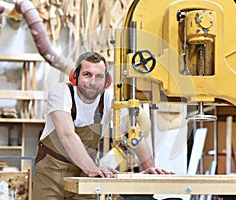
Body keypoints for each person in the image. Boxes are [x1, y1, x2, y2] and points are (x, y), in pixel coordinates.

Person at [32, 51, 173, 200]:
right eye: (87, 75)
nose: (93, 82)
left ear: (107, 80)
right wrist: (92, 169)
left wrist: (149, 167)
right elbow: (67, 135)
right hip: (51, 171)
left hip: (84, 172)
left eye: (99, 76)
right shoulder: (61, 93)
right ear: (75, 76)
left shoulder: (108, 98)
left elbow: (132, 134)